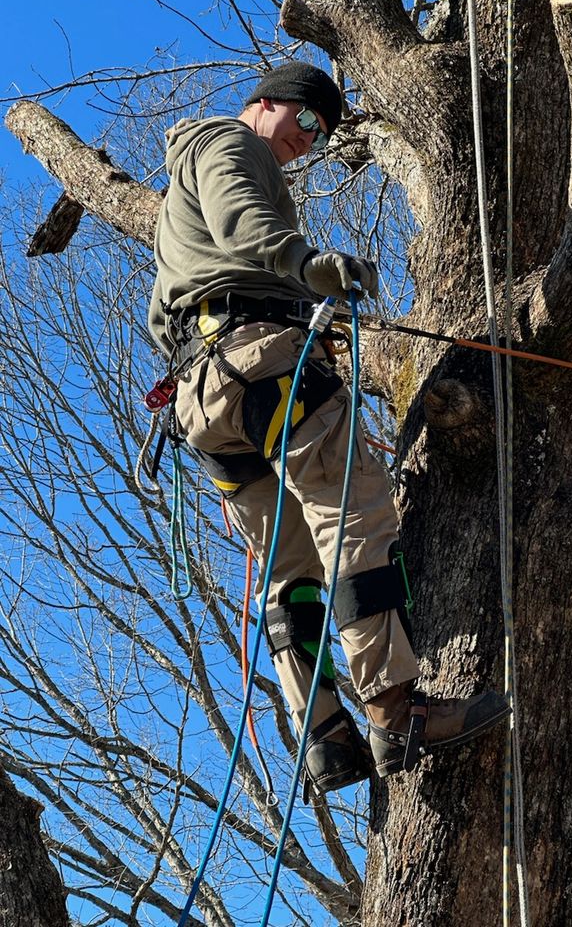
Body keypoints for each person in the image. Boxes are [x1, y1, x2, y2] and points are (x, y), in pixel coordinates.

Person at [148, 61, 508, 794]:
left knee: (290, 571)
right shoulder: (228, 144)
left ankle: (326, 738)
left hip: (206, 398)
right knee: (355, 516)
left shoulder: (179, 194)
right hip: (260, 365)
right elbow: (244, 219)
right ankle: (396, 708)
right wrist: (306, 265)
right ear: (267, 102)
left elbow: (174, 307)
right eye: (307, 123)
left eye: (320, 136)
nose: (307, 144)